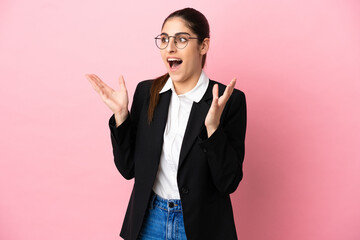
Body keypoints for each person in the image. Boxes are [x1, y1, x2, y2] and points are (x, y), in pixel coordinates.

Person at [86, 7, 247, 240]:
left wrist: (212, 130)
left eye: (181, 39)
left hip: (201, 226)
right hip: (149, 221)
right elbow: (128, 168)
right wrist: (121, 116)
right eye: (164, 39)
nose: (170, 47)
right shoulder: (146, 92)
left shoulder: (228, 101)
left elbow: (228, 182)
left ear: (203, 46)